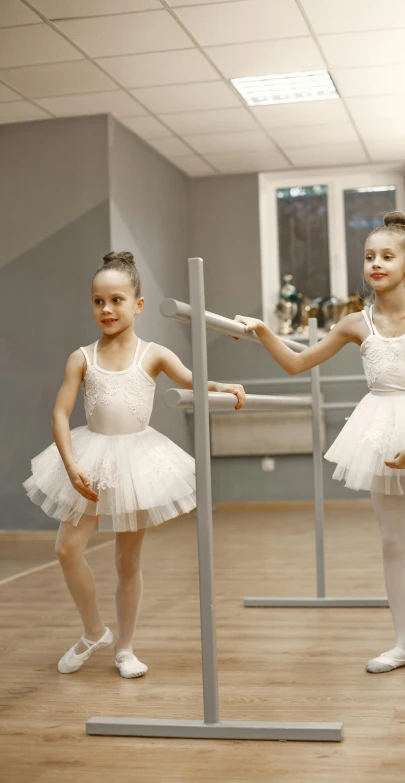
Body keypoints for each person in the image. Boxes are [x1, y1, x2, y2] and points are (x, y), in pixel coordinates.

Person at [233, 211, 405, 674]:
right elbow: (297, 365)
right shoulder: (356, 324)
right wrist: (263, 332)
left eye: (386, 256)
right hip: (377, 428)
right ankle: (402, 643)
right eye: (369, 256)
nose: (375, 263)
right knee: (394, 541)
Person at [23, 251, 245, 678]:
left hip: (136, 462)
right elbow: (59, 414)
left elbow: (194, 381)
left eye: (117, 300)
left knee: (128, 561)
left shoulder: (153, 354)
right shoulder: (81, 358)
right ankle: (93, 631)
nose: (106, 309)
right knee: (67, 549)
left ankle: (124, 648)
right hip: (88, 459)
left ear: (138, 305)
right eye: (98, 301)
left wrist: (223, 386)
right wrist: (70, 466)